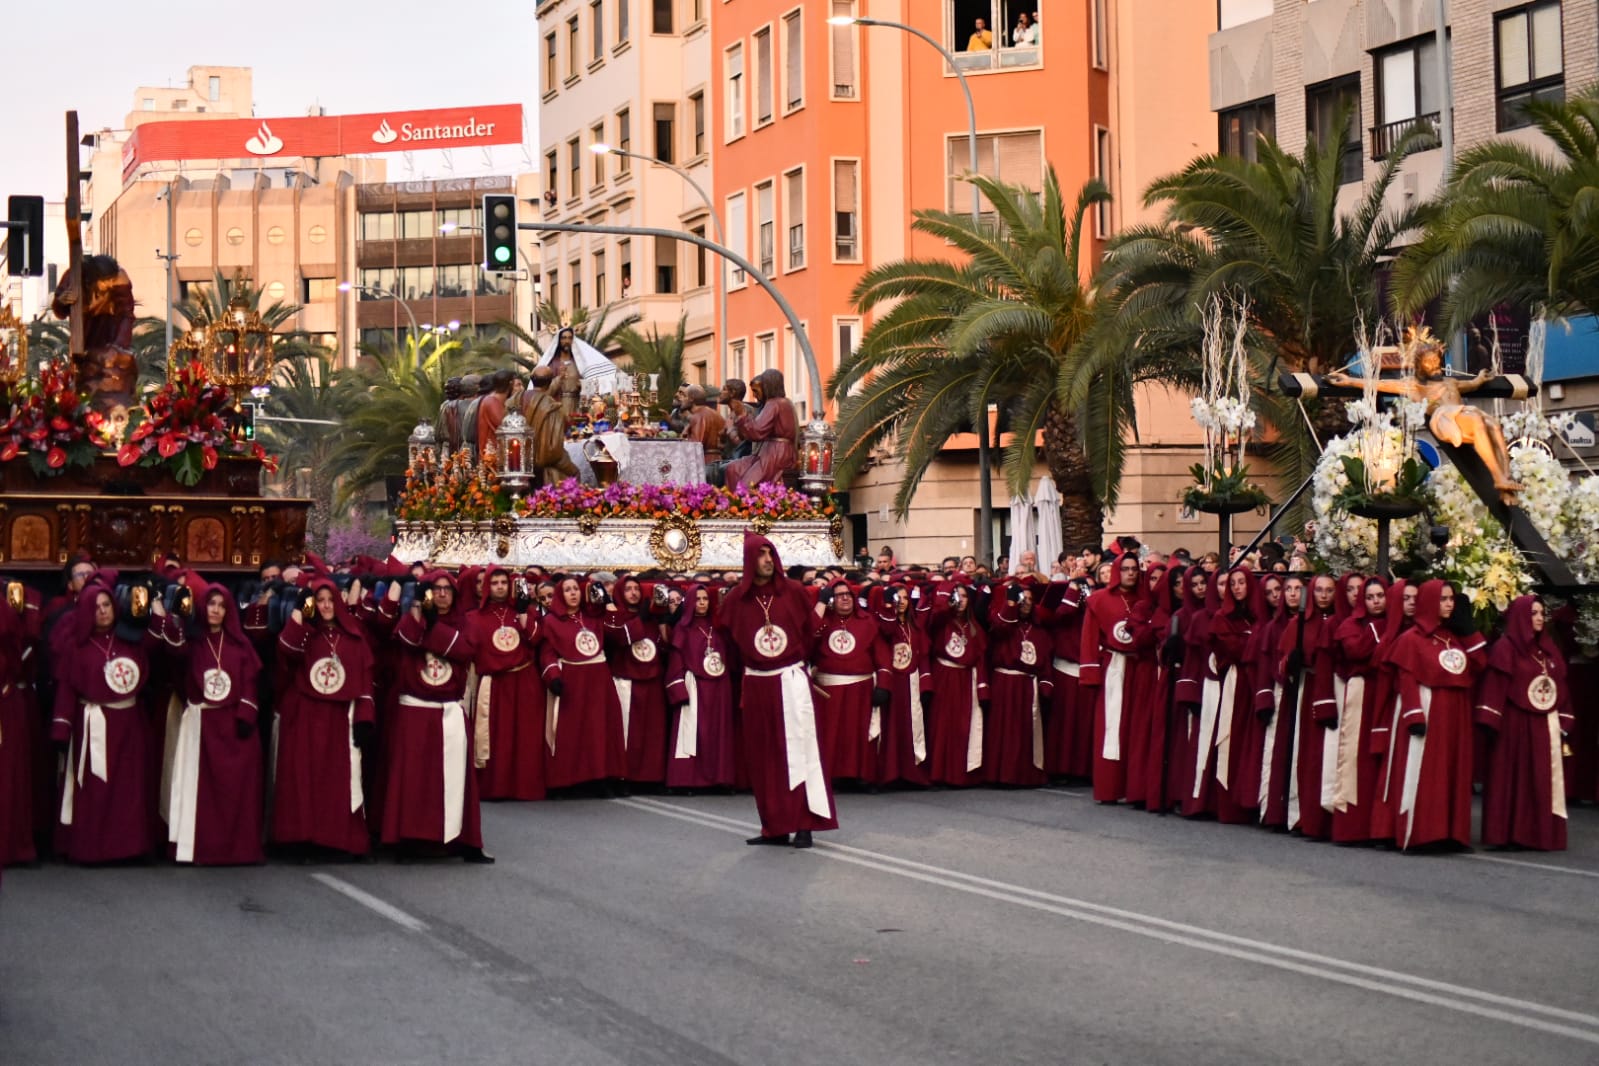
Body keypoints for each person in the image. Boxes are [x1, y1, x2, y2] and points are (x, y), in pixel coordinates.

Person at [718, 533, 836, 847]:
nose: (768, 560)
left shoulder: (793, 592)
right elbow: (728, 641)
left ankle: (804, 824)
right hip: (757, 683)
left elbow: (811, 633)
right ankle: (775, 825)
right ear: (748, 561)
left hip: (790, 680)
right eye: (760, 555)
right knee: (764, 757)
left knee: (799, 751)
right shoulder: (735, 600)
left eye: (771, 554)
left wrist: (799, 664)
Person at [51, 584, 181, 863]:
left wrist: (156, 606)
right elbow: (67, 688)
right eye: (96, 607)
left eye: (106, 605)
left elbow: (158, 640)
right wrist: (61, 728)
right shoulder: (77, 646)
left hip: (129, 724)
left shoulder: (129, 639)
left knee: (130, 789)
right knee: (95, 789)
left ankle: (129, 848)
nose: (102, 611)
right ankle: (94, 850)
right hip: (92, 725)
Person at [1326, 327, 1523, 503]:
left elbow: (1472, 384)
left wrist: (1480, 378)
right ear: (1419, 366)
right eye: (1429, 363)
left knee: (1494, 425)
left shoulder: (1451, 382)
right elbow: (1382, 384)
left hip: (1464, 413)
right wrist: (1350, 381)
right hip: (1444, 418)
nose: (1435, 365)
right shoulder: (1416, 386)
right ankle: (1498, 478)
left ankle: (1504, 481)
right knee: (1478, 421)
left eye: (1437, 361)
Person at [383, 572, 492, 861]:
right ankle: (410, 840)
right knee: (414, 779)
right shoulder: (414, 617)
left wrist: (432, 630)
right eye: (436, 589)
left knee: (457, 779)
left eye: (447, 589)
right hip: (415, 710)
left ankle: (462, 840)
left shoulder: (464, 624)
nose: (442, 594)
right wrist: (420, 612)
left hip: (448, 709)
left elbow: (465, 649)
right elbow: (406, 639)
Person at [271, 577, 376, 857]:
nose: (326, 606)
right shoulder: (306, 634)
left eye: (330, 600)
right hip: (306, 714)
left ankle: (337, 840)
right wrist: (300, 615)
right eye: (320, 601)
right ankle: (300, 837)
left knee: (337, 782)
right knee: (302, 778)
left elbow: (364, 679)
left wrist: (365, 717)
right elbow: (287, 650)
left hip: (339, 718)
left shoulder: (353, 637)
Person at [165, 582, 264, 865]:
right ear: (202, 607)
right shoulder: (193, 643)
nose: (216, 610)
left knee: (235, 794)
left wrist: (246, 715)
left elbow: (249, 683)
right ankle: (202, 849)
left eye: (221, 605)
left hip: (234, 728)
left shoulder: (240, 645)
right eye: (211, 604)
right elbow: (174, 658)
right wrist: (177, 621)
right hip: (201, 726)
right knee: (203, 796)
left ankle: (237, 851)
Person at [1386, 580, 1486, 851]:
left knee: (1454, 772)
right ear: (1430, 601)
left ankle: (1452, 833)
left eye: (1451, 599)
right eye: (1443, 599)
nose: (1449, 604)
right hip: (1429, 710)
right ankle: (1422, 833)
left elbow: (1480, 664)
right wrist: (1413, 714)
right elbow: (1406, 679)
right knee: (1428, 774)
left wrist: (1469, 632)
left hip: (1456, 714)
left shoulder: (1455, 637)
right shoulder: (1411, 639)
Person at [1477, 596, 1572, 850]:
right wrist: (1489, 721)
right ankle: (1510, 834)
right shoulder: (1505, 648)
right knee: (1512, 779)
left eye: (1542, 612)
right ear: (1520, 616)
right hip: (1514, 727)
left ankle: (1538, 834)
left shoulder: (1549, 650)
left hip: (1544, 727)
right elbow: (1495, 687)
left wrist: (1564, 719)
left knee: (1541, 778)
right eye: (1534, 613)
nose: (1540, 617)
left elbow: (1560, 687)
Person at [540, 575, 627, 791]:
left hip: (598, 679)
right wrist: (553, 677)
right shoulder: (551, 621)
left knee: (600, 730)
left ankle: (602, 778)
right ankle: (566, 782)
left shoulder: (593, 616)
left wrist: (607, 602)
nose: (572, 593)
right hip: (572, 679)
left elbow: (616, 632)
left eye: (575, 589)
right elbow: (547, 653)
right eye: (567, 590)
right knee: (571, 732)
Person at [468, 567, 547, 801]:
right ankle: (496, 788)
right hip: (495, 684)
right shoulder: (474, 617)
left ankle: (526, 787)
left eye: (504, 582)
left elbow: (535, 639)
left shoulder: (523, 611)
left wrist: (523, 615)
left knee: (527, 736)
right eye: (495, 583)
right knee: (497, 737)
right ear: (486, 587)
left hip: (524, 678)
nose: (500, 587)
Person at [1079, 553, 1149, 803]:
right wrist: (1090, 674)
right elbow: (1088, 638)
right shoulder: (1098, 600)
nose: (1131, 573)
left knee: (1138, 728)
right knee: (1111, 727)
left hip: (1140, 669)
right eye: (1126, 568)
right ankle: (1109, 788)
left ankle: (1135, 789)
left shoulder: (1145, 598)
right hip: (1113, 669)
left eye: (1134, 569)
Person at [665, 583, 738, 790]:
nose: (702, 603)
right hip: (695, 686)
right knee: (694, 733)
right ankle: (689, 780)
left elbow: (730, 654)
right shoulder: (683, 628)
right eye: (697, 599)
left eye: (705, 599)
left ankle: (719, 779)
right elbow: (676, 659)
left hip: (719, 687)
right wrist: (678, 688)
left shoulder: (718, 626)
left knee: (719, 733)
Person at [810, 578, 882, 783]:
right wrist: (821, 606)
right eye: (839, 595)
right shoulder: (824, 622)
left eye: (848, 594)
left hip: (861, 689)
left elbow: (881, 655)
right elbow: (806, 638)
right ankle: (831, 777)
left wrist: (884, 684)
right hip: (828, 690)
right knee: (830, 735)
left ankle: (860, 776)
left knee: (858, 736)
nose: (844, 599)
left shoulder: (867, 621)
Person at [604, 575, 670, 785]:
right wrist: (638, 619)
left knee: (653, 731)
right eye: (628, 589)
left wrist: (662, 620)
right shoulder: (614, 616)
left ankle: (651, 777)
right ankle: (624, 775)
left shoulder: (651, 617)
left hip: (652, 679)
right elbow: (617, 637)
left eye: (636, 589)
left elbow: (664, 645)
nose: (633, 593)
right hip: (626, 679)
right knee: (627, 732)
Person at [985, 581, 1050, 788]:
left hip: (1028, 684)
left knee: (1025, 732)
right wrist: (1011, 602)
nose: (1026, 603)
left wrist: (1047, 683)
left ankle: (1025, 775)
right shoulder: (1003, 623)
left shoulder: (1038, 630)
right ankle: (1002, 775)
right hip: (1005, 682)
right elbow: (1000, 627)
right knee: (1004, 731)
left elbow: (1046, 657)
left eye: (1030, 600)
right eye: (1022, 599)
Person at [927, 579, 989, 787]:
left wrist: (982, 688)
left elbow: (980, 657)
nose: (960, 601)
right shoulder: (941, 622)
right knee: (941, 726)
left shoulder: (974, 627)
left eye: (963, 596)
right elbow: (935, 617)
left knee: (962, 727)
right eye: (956, 596)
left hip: (965, 681)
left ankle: (960, 775)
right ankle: (939, 774)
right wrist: (947, 598)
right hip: (944, 676)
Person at [869, 581, 932, 788]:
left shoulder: (915, 627)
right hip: (891, 682)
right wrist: (888, 608)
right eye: (897, 598)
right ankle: (888, 773)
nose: (901, 602)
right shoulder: (883, 624)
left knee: (910, 726)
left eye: (905, 598)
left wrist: (926, 683)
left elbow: (922, 656)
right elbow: (886, 630)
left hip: (911, 682)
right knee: (889, 727)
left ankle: (911, 772)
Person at [725, 369, 799, 488]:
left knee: (747, 485)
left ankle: (744, 504)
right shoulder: (783, 403)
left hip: (776, 454)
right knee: (733, 469)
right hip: (770, 451)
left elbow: (757, 432)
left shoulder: (774, 403)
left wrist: (742, 415)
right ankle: (731, 504)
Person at [523, 366, 580, 485]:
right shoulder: (553, 407)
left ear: (532, 379)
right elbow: (561, 436)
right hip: (544, 458)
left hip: (519, 457)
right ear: (550, 383)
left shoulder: (516, 399)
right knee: (575, 473)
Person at [679, 384, 726, 466]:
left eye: (684, 396)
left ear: (691, 399)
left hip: (704, 463)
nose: (681, 400)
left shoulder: (698, 416)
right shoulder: (714, 414)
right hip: (717, 462)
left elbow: (695, 445)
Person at [476, 370, 515, 462]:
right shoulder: (491, 402)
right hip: (492, 458)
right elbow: (506, 426)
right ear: (510, 384)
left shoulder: (498, 401)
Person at [550, 328, 585, 420]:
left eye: (570, 338)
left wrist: (582, 385)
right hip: (559, 406)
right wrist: (559, 378)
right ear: (559, 340)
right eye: (564, 338)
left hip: (577, 406)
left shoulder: (578, 363)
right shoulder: (553, 364)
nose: (567, 341)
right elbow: (547, 390)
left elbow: (588, 386)